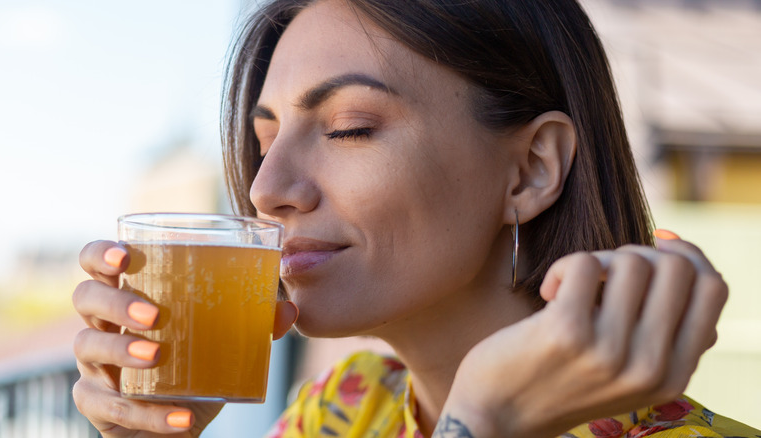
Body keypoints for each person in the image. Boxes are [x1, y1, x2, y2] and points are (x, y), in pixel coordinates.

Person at [71, 0, 761, 437]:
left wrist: (487, 422)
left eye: (349, 127)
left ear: (532, 170)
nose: (265, 189)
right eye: (264, 140)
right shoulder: (342, 410)